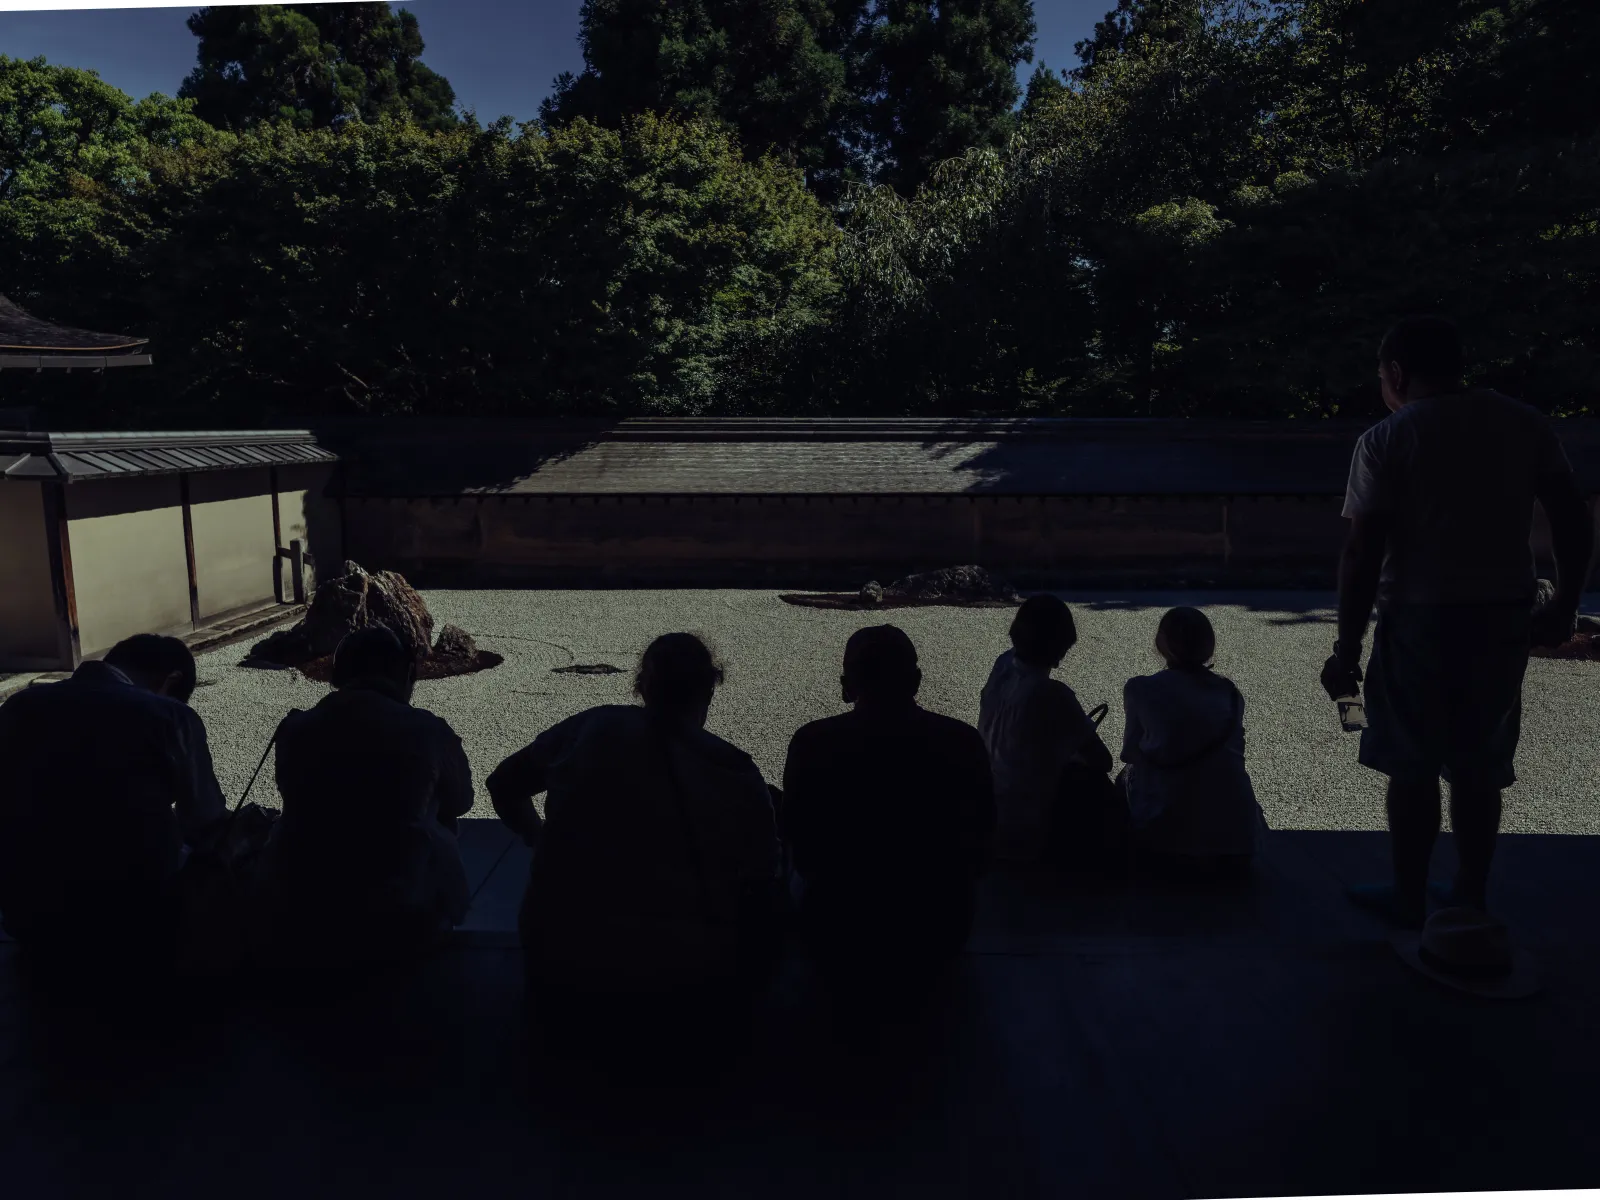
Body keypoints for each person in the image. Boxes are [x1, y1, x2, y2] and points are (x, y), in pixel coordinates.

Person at [1321, 316, 1595, 928]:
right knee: (1479, 764)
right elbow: (1571, 518)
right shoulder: (1522, 423)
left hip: (1417, 616)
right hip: (1502, 616)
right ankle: (1470, 894)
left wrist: (1347, 646)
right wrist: (1566, 601)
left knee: (1411, 763)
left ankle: (1409, 892)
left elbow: (1363, 552)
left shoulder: (1389, 438)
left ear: (1395, 372)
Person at [487, 633, 782, 1067]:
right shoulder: (732, 769)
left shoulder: (588, 729)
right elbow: (762, 881)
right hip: (680, 965)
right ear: (709, 688)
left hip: (565, 946)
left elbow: (504, 784)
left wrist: (540, 835)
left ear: (642, 686)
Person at [783, 625, 995, 1032]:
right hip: (938, 926)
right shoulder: (962, 742)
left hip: (838, 926)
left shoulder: (812, 742)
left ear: (847, 686)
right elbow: (982, 849)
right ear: (915, 681)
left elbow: (801, 849)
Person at [0, 635, 227, 987]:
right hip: (132, 920)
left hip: (28, 915)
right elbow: (205, 819)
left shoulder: (19, 706)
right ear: (171, 681)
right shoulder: (168, 715)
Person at [257, 626, 472, 968]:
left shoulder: (298, 728)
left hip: (301, 893)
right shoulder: (427, 730)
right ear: (408, 674)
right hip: (398, 899)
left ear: (337, 676)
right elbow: (461, 801)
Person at [1120, 608, 1264, 877]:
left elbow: (1130, 753)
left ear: (1162, 644)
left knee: (1124, 776)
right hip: (1238, 850)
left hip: (1167, 851)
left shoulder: (1140, 688)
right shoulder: (1230, 693)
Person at [979, 595, 1119, 867]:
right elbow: (1103, 760)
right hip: (1030, 825)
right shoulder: (1053, 694)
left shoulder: (1002, 667)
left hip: (992, 809)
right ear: (1062, 647)